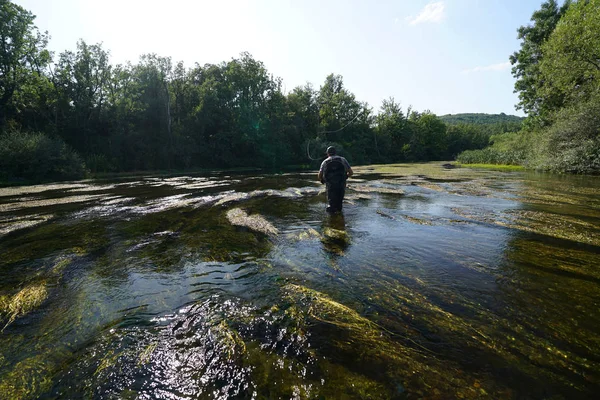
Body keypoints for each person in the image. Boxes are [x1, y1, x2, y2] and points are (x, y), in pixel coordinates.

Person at [318, 146, 353, 213]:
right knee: (339, 203)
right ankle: (339, 217)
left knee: (331, 203)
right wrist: (345, 176)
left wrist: (322, 180)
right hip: (341, 184)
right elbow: (351, 173)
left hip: (330, 186)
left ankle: (332, 218)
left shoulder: (325, 162)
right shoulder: (343, 159)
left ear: (328, 153)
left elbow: (319, 175)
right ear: (336, 152)